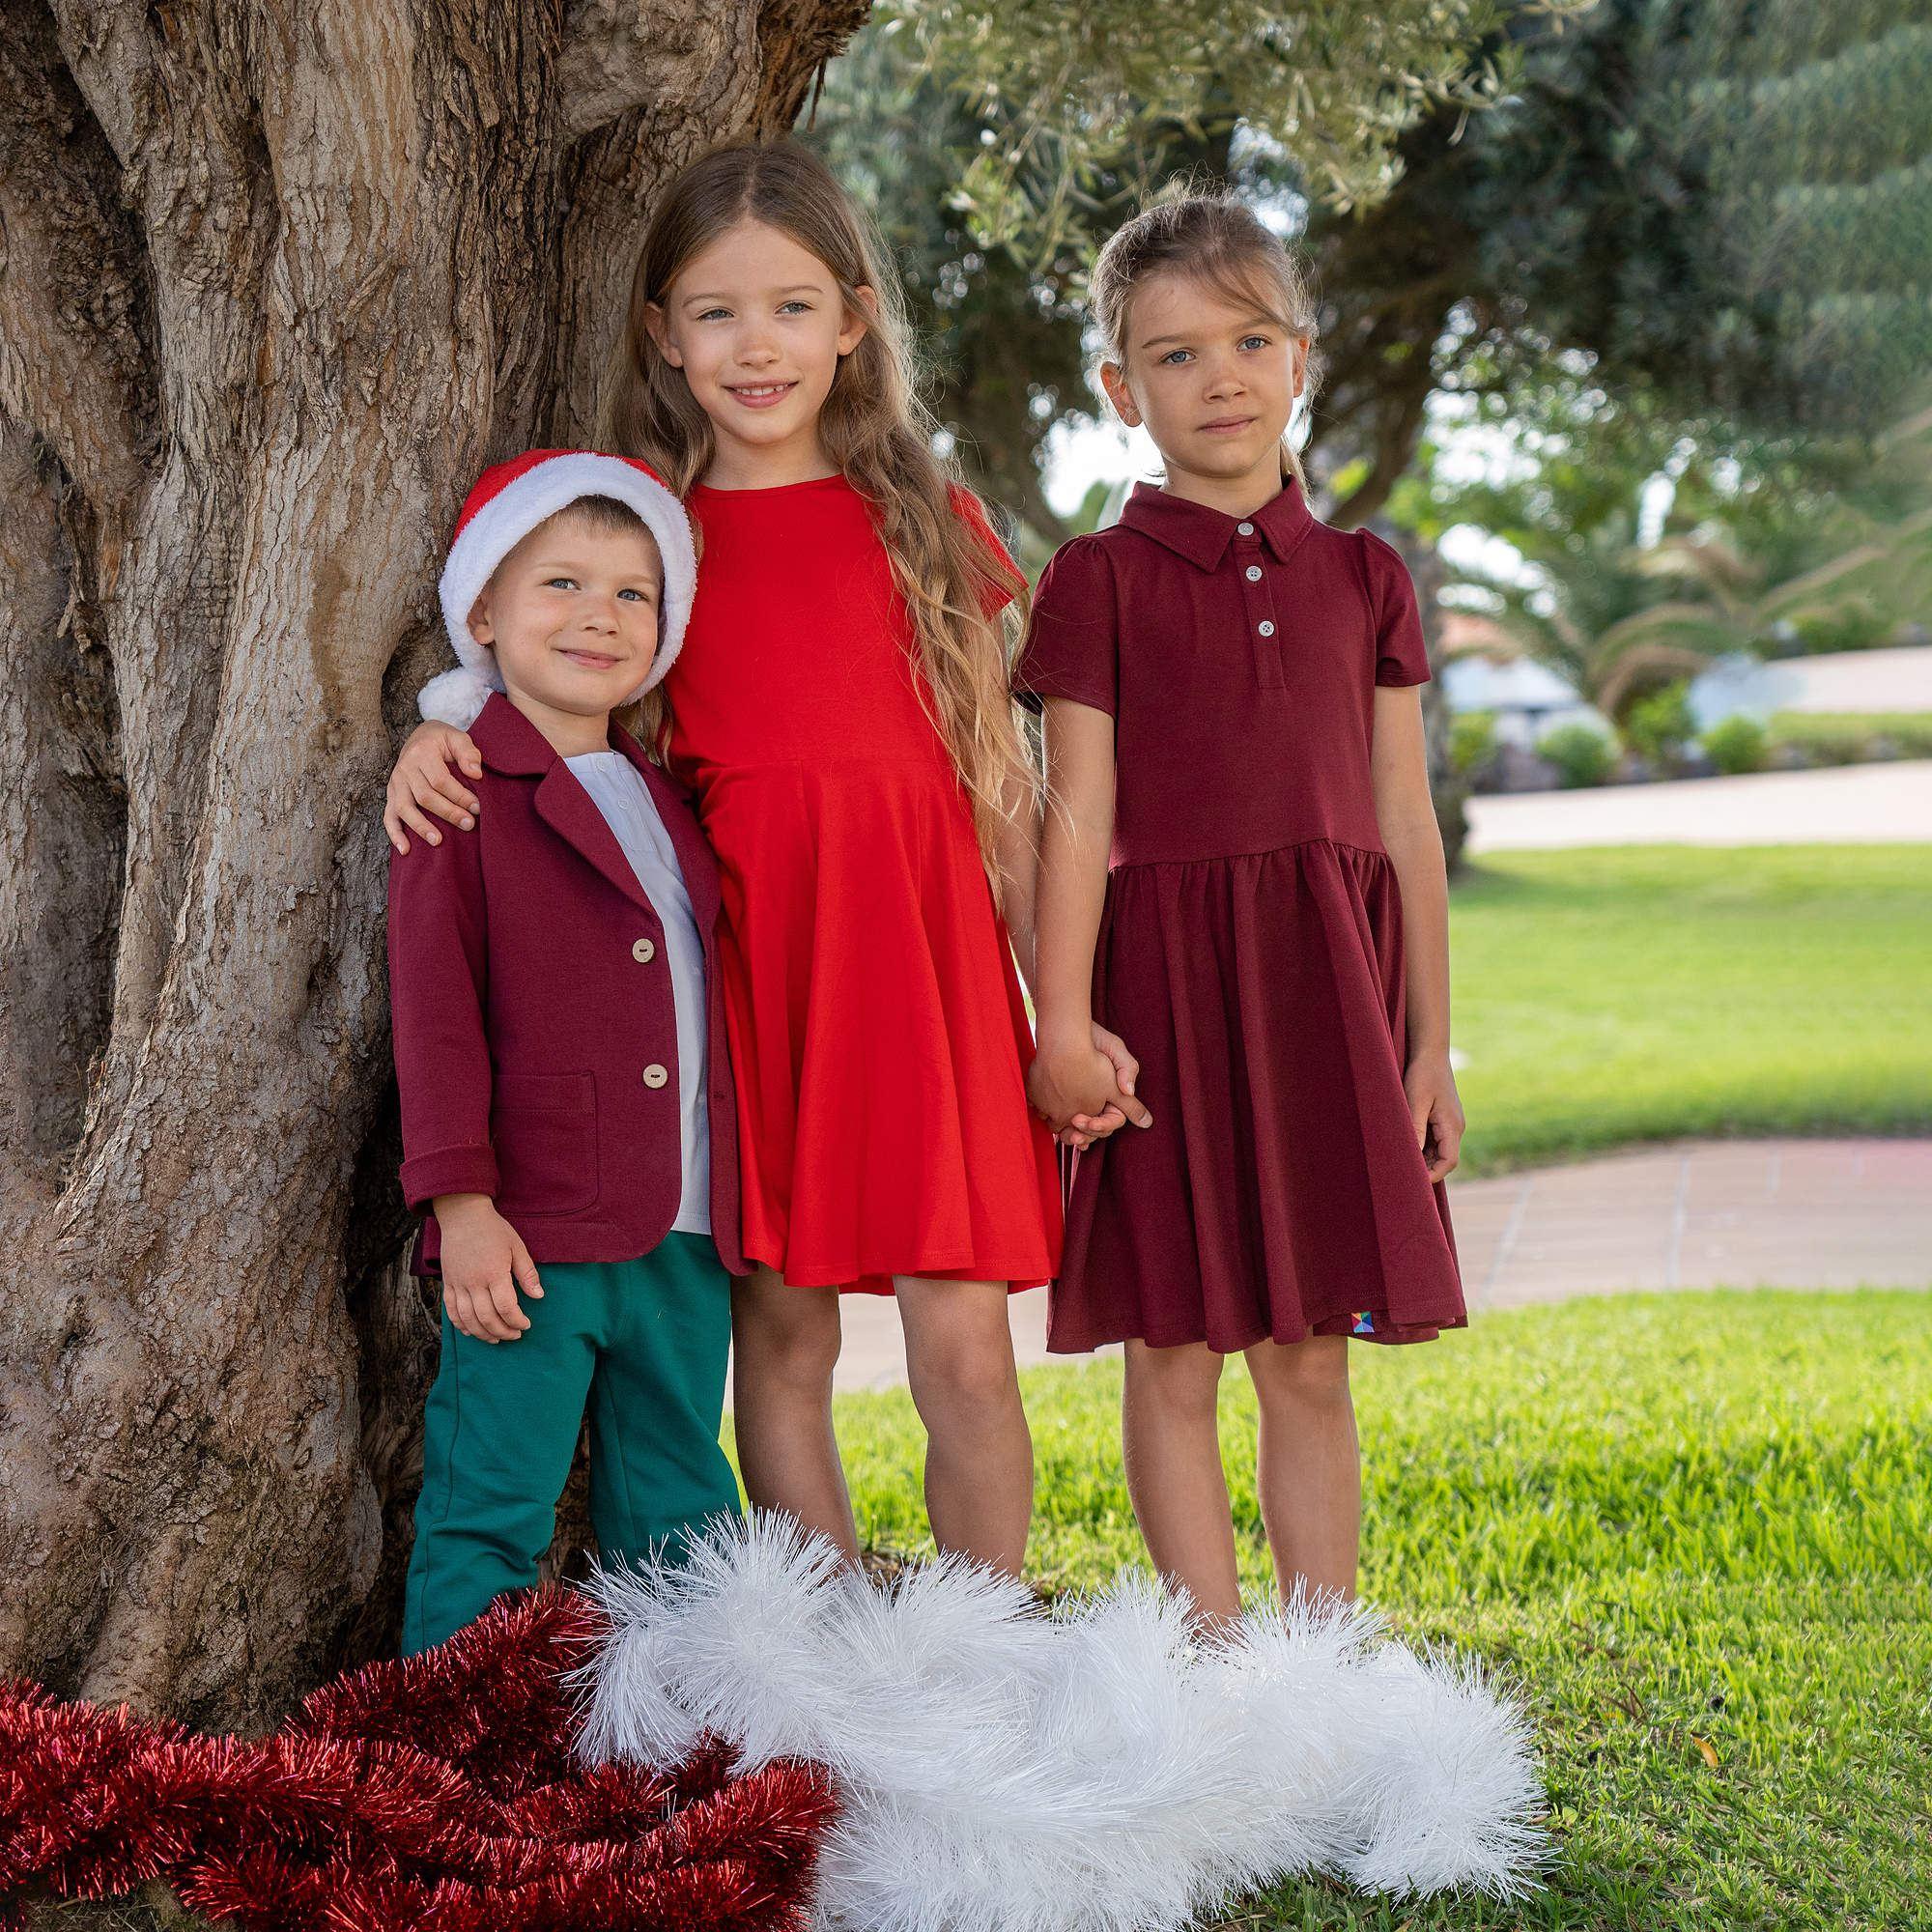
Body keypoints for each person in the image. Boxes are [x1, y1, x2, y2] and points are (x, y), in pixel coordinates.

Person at [382, 143, 1137, 1578]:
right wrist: (444, 723)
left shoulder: (926, 521)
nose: (755, 345)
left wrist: (1063, 1018)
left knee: (966, 1351)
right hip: (749, 991)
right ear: (662, 335)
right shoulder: (648, 544)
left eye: (790, 307)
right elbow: (560, 696)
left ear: (853, 320)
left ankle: (973, 1649)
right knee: (781, 1343)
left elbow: (1003, 801)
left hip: (927, 986)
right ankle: (824, 1650)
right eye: (714, 312)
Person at [1019, 193, 1468, 1622]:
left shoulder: (1364, 576)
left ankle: (1316, 1662)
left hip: (1329, 990)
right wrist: (1066, 1025)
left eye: (1249, 340)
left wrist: (1429, 1046)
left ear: (1301, 357)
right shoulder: (1095, 582)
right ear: (1119, 389)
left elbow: (1405, 821)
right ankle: (1210, 1665)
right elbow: (1073, 819)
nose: (1219, 377)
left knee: (1310, 1353)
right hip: (1166, 1001)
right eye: (1174, 354)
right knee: (1175, 1342)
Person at [389, 447, 743, 1654]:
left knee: (683, 1508)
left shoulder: (668, 793)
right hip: (528, 1234)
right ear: (483, 610)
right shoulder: (458, 789)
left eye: (632, 592)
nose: (598, 614)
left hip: (687, 1226)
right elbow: (433, 1011)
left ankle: (685, 1748)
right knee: (493, 1504)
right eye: (560, 584)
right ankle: (447, 1767)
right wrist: (462, 1203)